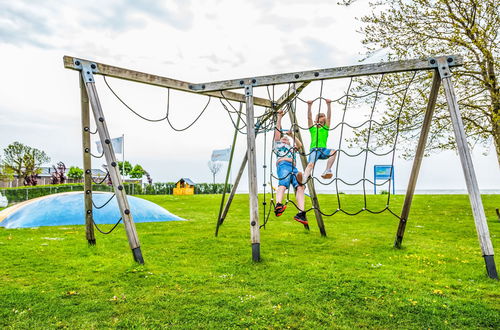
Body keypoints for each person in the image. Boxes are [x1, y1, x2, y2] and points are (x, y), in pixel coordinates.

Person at [273, 110, 308, 225]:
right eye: (283, 139)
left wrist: (291, 135)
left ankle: (301, 213)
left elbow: (300, 145)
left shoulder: (292, 149)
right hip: (283, 165)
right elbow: (277, 133)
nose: (285, 140)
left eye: (286, 139)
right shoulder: (278, 146)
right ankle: (278, 204)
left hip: (293, 168)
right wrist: (279, 117)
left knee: (301, 187)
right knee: (283, 184)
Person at [303, 98, 337, 183]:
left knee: (334, 151)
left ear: (324, 124)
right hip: (314, 150)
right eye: (318, 122)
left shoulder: (325, 129)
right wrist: (309, 106)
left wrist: (328, 105)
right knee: (311, 164)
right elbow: (309, 117)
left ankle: (327, 170)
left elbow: (329, 117)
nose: (319, 124)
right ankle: (304, 178)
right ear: (315, 122)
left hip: (323, 151)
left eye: (321, 122)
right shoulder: (312, 129)